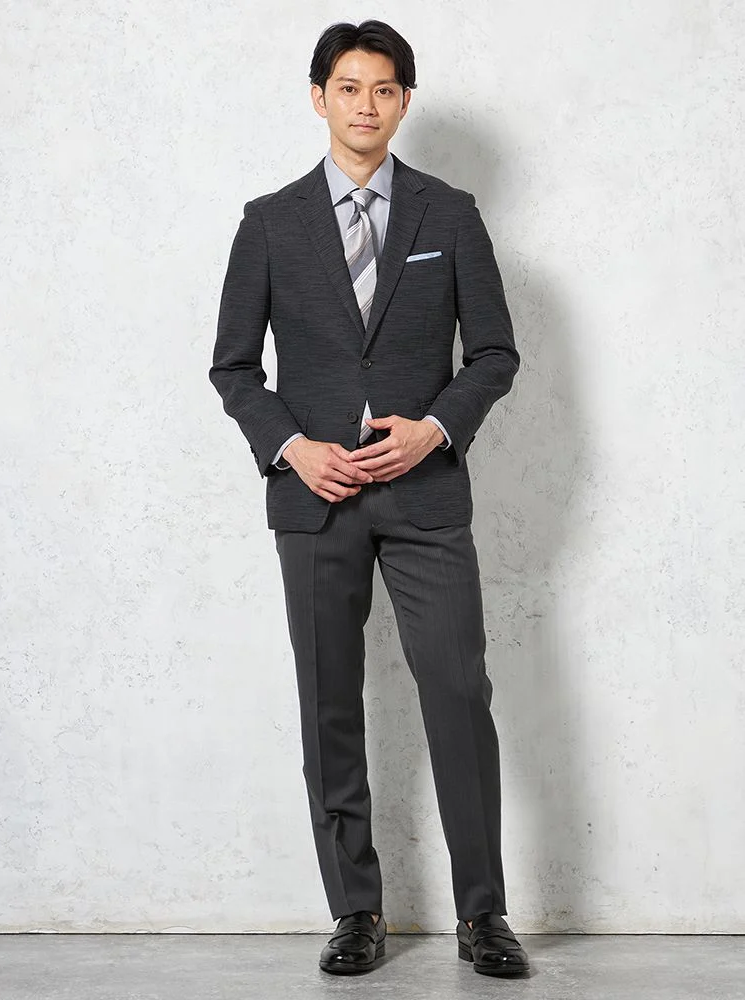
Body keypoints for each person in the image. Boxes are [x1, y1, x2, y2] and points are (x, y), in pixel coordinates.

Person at [209, 18, 529, 978]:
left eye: (384, 89)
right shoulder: (269, 222)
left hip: (425, 497)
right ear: (320, 98)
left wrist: (435, 429)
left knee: (458, 693)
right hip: (317, 502)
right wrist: (293, 449)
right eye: (349, 87)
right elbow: (233, 368)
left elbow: (495, 354)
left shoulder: (450, 214)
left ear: (404, 101)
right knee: (328, 707)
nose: (366, 105)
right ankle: (356, 912)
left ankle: (483, 914)